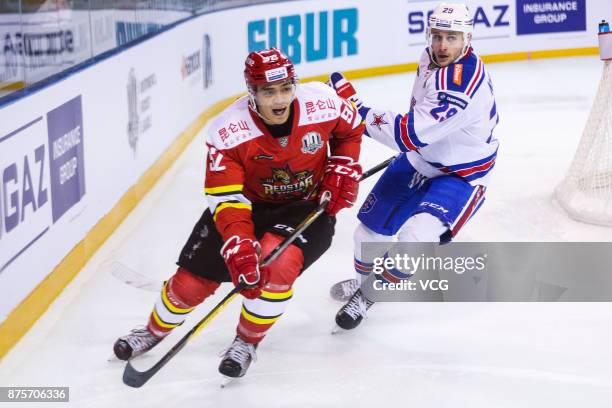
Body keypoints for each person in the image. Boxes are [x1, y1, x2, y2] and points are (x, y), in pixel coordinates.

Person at [113, 48, 364, 378]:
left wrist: (343, 163)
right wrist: (239, 245)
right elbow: (228, 200)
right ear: (252, 92)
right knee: (189, 285)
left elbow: (350, 130)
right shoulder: (230, 130)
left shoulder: (323, 102)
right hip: (246, 206)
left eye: (286, 88)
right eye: (268, 91)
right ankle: (152, 330)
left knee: (277, 264)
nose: (279, 100)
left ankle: (246, 342)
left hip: (305, 205)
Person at [327, 2, 499, 330]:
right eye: (437, 36)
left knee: (414, 240)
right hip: (421, 158)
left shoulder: (458, 85)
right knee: (367, 235)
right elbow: (418, 123)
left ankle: (368, 295)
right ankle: (365, 284)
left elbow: (408, 133)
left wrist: (357, 110)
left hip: (461, 174)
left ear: (468, 38)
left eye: (452, 37)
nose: (443, 45)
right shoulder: (429, 57)